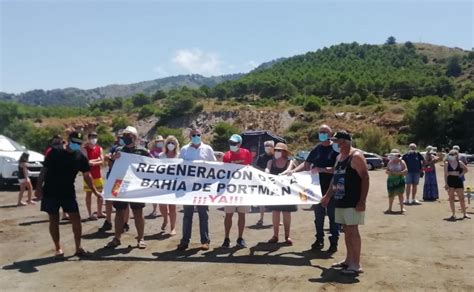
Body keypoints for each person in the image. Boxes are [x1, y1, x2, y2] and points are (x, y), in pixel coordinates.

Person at [35, 131, 102, 259]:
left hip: (68, 192)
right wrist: (38, 188)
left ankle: (78, 248)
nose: (76, 145)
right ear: (69, 140)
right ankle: (58, 248)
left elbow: (87, 175)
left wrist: (95, 191)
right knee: (54, 219)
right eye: (74, 142)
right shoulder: (55, 152)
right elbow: (44, 170)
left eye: (79, 143)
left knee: (76, 219)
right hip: (51, 191)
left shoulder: (80, 156)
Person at [321, 130, 369, 275]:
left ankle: (356, 264)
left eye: (337, 142)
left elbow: (365, 178)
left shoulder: (356, 157)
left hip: (353, 202)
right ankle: (349, 260)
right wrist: (328, 196)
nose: (335, 144)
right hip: (340, 200)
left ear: (345, 142)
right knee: (347, 232)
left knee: (353, 231)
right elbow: (334, 178)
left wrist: (362, 201)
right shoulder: (339, 157)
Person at [285, 124, 339, 252]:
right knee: (318, 217)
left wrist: (321, 169)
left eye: (325, 132)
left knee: (333, 217)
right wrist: (293, 171)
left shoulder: (336, 149)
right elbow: (306, 164)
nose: (322, 134)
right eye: (320, 132)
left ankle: (334, 242)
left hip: (333, 189)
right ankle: (319, 239)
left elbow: (338, 169)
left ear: (331, 135)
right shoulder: (317, 149)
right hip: (316, 190)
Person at [105, 126, 150, 249]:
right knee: (119, 212)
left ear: (135, 137)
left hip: (136, 184)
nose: (126, 139)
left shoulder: (143, 151)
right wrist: (113, 159)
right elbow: (110, 166)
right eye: (124, 136)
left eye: (128, 136)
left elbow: (153, 167)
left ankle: (141, 238)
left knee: (138, 212)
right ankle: (117, 238)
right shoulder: (118, 150)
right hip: (119, 183)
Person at [177, 128, 216, 251]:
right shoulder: (184, 150)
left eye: (198, 135)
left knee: (203, 215)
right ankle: (184, 241)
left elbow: (214, 166)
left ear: (201, 135)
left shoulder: (208, 149)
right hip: (187, 188)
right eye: (193, 135)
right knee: (187, 216)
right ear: (190, 136)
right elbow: (178, 166)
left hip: (202, 188)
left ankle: (205, 241)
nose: (196, 136)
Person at [221, 134, 253, 248]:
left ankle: (240, 238)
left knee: (242, 215)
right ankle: (226, 238)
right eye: (230, 143)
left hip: (243, 189)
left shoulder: (246, 153)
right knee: (228, 215)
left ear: (239, 144)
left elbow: (249, 167)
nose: (232, 145)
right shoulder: (226, 156)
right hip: (230, 189)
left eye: (234, 143)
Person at [265, 142, 296, 245]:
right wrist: (266, 173)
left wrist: (281, 174)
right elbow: (267, 170)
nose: (277, 152)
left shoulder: (289, 161)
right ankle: (275, 235)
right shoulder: (270, 161)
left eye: (279, 150)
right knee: (275, 212)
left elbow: (288, 170)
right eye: (276, 150)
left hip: (287, 192)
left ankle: (287, 236)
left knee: (287, 213)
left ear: (284, 152)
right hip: (275, 191)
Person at [99, 130, 127, 232]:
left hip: (122, 180)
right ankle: (108, 221)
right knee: (109, 199)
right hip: (112, 178)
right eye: (120, 138)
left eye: (123, 138)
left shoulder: (128, 149)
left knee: (123, 201)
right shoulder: (114, 148)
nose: (121, 140)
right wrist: (110, 158)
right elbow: (108, 160)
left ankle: (124, 222)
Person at [157, 135, 180, 236]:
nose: (171, 145)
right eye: (169, 143)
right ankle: (165, 219)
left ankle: (173, 227)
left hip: (174, 184)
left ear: (176, 145)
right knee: (162, 206)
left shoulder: (179, 156)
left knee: (172, 207)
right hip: (163, 184)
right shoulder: (161, 156)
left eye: (173, 143)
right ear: (166, 145)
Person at [83, 132, 105, 220]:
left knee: (100, 194)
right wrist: (97, 160)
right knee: (88, 194)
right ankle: (90, 213)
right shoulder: (84, 149)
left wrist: (93, 162)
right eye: (92, 137)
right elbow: (86, 162)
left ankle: (99, 212)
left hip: (98, 175)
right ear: (88, 138)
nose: (94, 139)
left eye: (95, 137)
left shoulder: (99, 148)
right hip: (88, 175)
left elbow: (102, 161)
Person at [444, 150, 470, 220]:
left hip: (458, 180)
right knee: (451, 198)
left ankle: (464, 214)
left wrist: (460, 175)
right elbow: (445, 174)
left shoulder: (459, 162)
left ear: (456, 155)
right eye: (450, 154)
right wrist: (446, 184)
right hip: (450, 180)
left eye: (452, 155)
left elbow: (466, 169)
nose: (451, 156)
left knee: (461, 198)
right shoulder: (447, 163)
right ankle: (453, 214)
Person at [255, 140, 275, 226]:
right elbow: (256, 167)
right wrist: (264, 171)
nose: (268, 147)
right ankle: (261, 219)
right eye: (266, 146)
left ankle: (277, 219)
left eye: (270, 146)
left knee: (275, 201)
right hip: (262, 181)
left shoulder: (276, 157)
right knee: (262, 201)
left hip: (274, 182)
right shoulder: (261, 157)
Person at [385, 149, 407, 214]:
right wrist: (390, 172)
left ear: (398, 155)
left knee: (400, 194)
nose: (393, 156)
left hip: (400, 180)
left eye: (395, 155)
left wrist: (398, 173)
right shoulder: (390, 162)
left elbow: (406, 170)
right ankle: (389, 208)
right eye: (392, 155)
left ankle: (402, 208)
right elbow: (386, 171)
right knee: (391, 194)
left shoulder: (402, 162)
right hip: (391, 180)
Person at [149, 135, 165, 217]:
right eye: (158, 141)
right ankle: (155, 210)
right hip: (154, 174)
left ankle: (165, 210)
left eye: (161, 141)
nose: (160, 143)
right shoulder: (152, 151)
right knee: (154, 193)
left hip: (164, 175)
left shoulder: (165, 151)